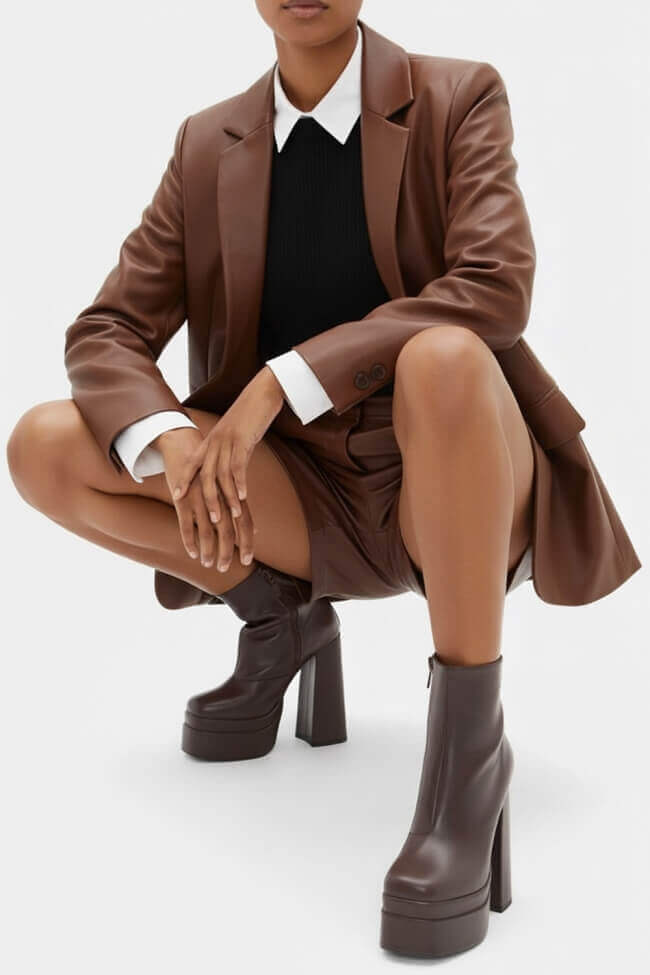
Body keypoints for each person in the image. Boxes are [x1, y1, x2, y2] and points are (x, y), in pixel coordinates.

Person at [5, 0, 641, 959]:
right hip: (297, 494)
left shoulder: (457, 95)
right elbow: (108, 329)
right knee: (46, 445)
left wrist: (282, 380)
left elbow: (494, 285)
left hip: (455, 477)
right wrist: (173, 440)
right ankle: (281, 621)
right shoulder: (208, 141)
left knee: (444, 357)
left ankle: (469, 762)